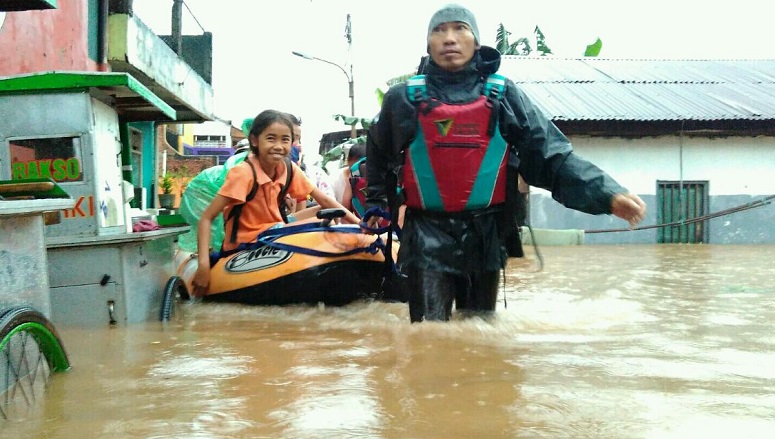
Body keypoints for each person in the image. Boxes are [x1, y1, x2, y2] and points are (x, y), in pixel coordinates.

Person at [364, 4, 646, 323]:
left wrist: (607, 194)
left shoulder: (503, 95)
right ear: (428, 44)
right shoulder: (402, 99)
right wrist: (376, 204)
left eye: (460, 29)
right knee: (429, 333)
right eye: (439, 31)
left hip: (486, 232)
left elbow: (550, 153)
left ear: (477, 41)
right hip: (426, 231)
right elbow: (377, 154)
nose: (449, 39)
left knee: (480, 330)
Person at [192, 109, 360, 297]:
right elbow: (206, 218)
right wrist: (204, 266)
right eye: (271, 139)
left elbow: (325, 200)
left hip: (275, 230)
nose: (278, 146)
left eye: (285, 140)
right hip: (248, 242)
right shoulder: (243, 174)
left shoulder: (288, 168)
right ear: (255, 140)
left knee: (325, 212)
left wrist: (360, 226)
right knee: (317, 226)